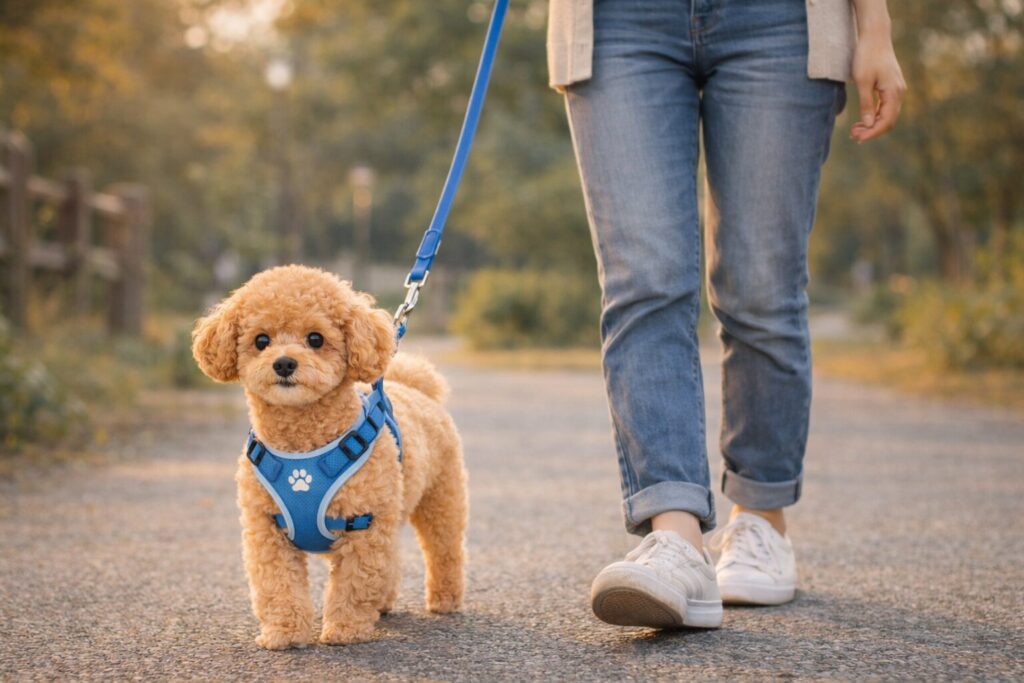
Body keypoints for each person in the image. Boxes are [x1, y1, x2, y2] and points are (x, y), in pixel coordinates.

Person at [548, 0, 906, 628]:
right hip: (617, 21)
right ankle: (677, 538)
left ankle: (761, 519)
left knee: (760, 288)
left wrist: (874, 28)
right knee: (644, 282)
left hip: (781, 20)